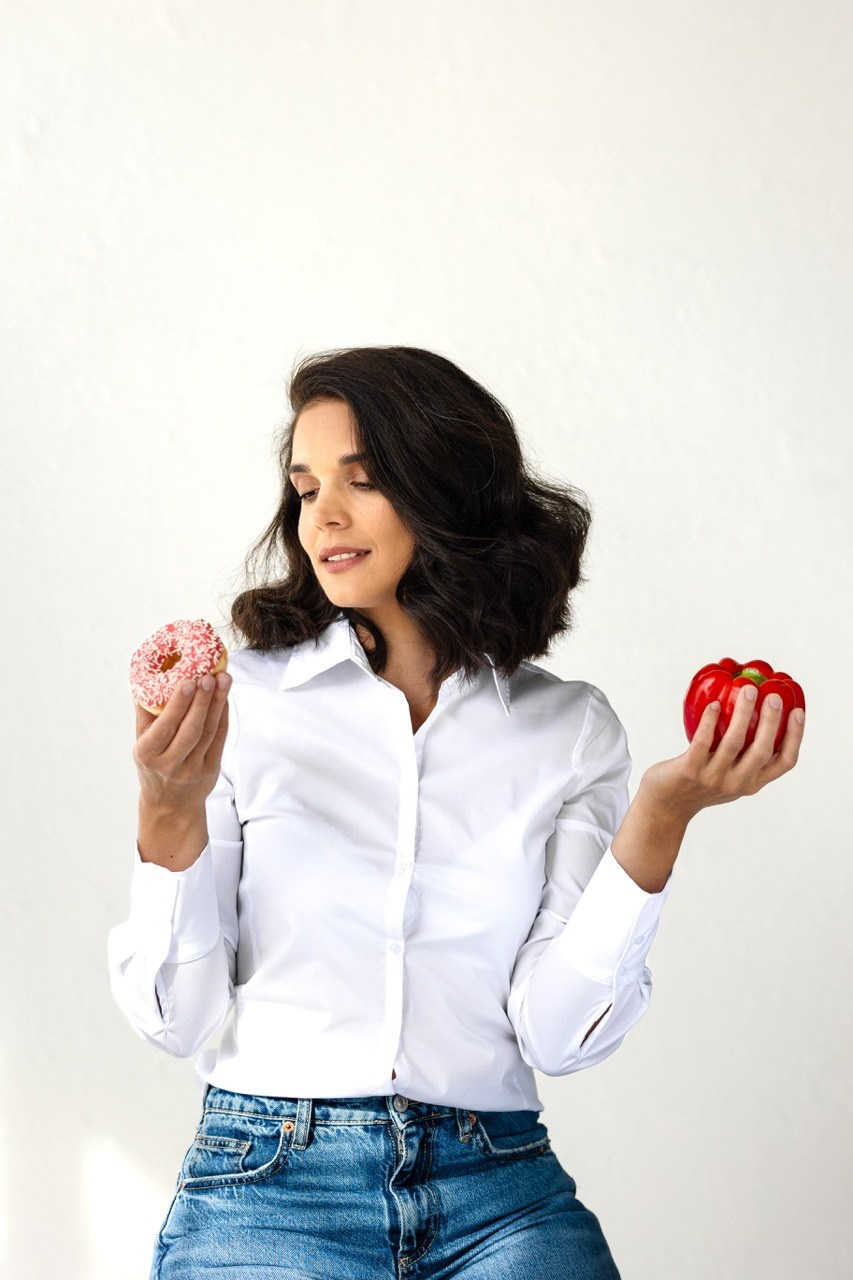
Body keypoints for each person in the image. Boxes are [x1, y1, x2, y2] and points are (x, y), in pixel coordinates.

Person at [108, 346, 804, 1279]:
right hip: (270, 1185)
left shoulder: (568, 730)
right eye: (306, 489)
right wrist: (168, 813)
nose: (324, 516)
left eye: (362, 481)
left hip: (498, 1188)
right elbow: (177, 1020)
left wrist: (660, 817)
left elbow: (558, 1036)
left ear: (446, 490)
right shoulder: (247, 705)